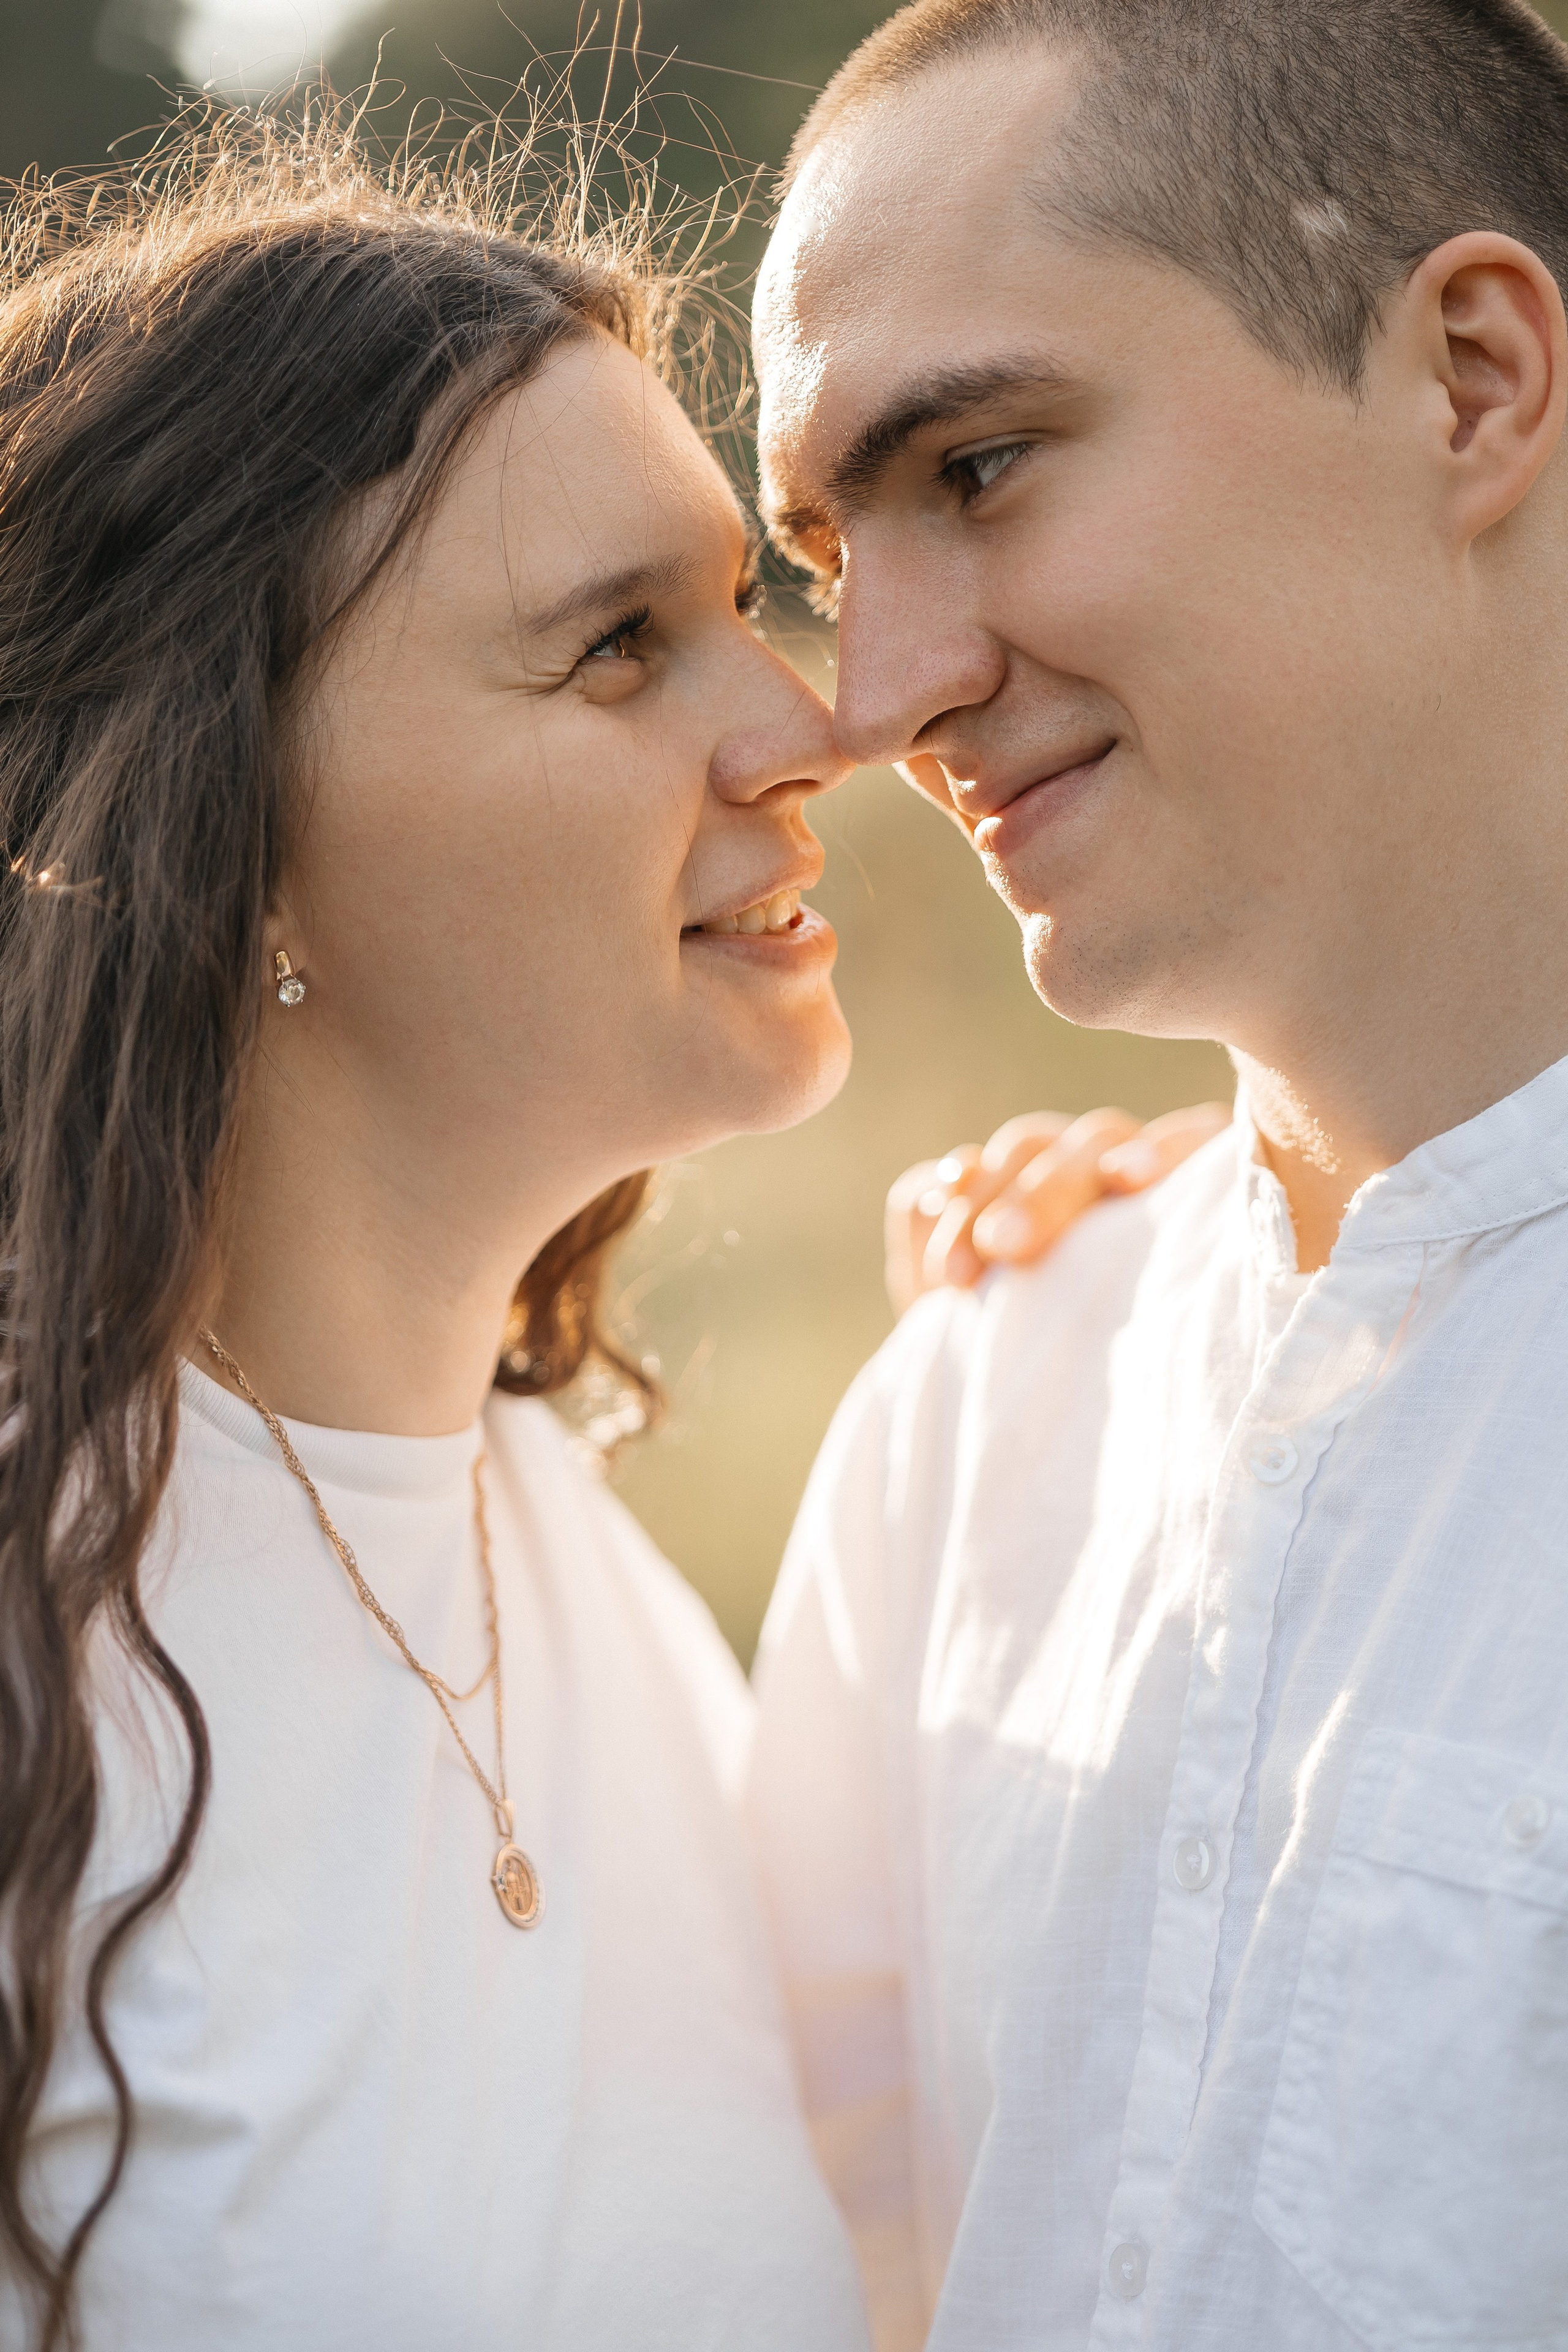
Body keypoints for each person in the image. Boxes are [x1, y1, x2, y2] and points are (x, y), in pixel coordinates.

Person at [0, 97, 1197, 2352]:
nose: (819, 725)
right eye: (620, 648)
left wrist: (1180, 1334)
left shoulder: (601, 1586)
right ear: (233, 835)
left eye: (741, 602)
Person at [745, 3, 1568, 2348]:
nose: (870, 693)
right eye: (823, 551)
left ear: (1476, 384)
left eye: (983, 468)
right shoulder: (962, 1424)